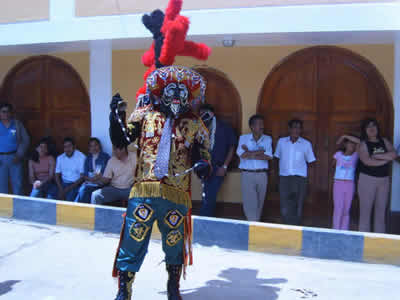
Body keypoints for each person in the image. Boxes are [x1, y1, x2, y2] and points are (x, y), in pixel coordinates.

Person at [110, 1, 212, 298]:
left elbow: (203, 154)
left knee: (174, 243)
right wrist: (114, 117)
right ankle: (124, 289)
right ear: (161, 93)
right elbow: (121, 142)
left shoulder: (194, 124)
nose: (177, 95)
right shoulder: (143, 115)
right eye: (172, 91)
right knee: (133, 238)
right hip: (143, 191)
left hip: (177, 194)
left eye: (182, 92)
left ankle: (173, 285)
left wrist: (204, 165)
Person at [274, 119, 316, 225]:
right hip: (284, 178)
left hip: (300, 179)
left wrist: (309, 182)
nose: (296, 130)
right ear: (289, 129)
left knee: (298, 205)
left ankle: (296, 228)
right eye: (294, 127)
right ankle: (285, 227)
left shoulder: (306, 144)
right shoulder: (281, 142)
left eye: (299, 128)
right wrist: (276, 178)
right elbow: (276, 158)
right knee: (284, 205)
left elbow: (311, 163)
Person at [358, 118, 397, 233]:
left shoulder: (384, 141)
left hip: (384, 180)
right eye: (368, 126)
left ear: (377, 128)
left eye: (373, 125)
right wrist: (385, 159)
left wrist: (377, 156)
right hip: (367, 180)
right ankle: (363, 240)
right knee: (366, 212)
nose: (371, 128)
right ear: (364, 130)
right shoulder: (363, 144)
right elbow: (367, 161)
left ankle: (379, 239)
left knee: (381, 212)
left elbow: (394, 154)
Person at [199, 103, 236, 217]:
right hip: (204, 167)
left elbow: (232, 147)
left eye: (205, 114)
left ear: (212, 113)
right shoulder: (200, 129)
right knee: (206, 195)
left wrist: (224, 166)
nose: (203, 116)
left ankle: (204, 221)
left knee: (209, 196)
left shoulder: (224, 127)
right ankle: (206, 219)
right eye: (201, 114)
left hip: (218, 167)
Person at [236, 114, 272, 221]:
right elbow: (242, 155)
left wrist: (249, 152)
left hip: (262, 174)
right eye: (259, 124)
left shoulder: (267, 139)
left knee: (260, 203)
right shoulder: (243, 138)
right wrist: (259, 152)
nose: (262, 126)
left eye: (262, 124)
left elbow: (268, 156)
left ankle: (256, 224)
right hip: (248, 174)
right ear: (252, 126)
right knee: (249, 202)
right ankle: (253, 225)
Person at [0, 102, 30, 195]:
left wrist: (19, 154)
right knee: (1, 185)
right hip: (0, 159)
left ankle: (18, 207)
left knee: (18, 184)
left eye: (8, 111)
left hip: (15, 157)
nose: (6, 114)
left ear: (11, 113)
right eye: (3, 111)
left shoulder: (17, 124)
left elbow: (25, 139)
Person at [332, 135, 360, 230]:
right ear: (345, 144)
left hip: (349, 184)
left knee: (346, 209)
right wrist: (342, 138)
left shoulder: (356, 155)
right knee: (338, 209)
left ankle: (344, 231)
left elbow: (360, 143)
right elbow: (333, 165)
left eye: (353, 143)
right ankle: (335, 230)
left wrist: (345, 136)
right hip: (338, 184)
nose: (351, 145)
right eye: (349, 142)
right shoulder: (338, 154)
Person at [74, 138, 110, 203]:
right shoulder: (88, 158)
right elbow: (84, 175)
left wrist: (94, 179)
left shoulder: (105, 157)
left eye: (95, 145)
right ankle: (77, 207)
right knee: (82, 190)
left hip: (101, 183)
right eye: (91, 146)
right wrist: (91, 179)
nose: (94, 148)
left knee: (84, 190)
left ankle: (78, 208)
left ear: (100, 146)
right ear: (89, 148)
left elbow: (105, 173)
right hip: (90, 183)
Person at [55, 137, 86, 201]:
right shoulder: (60, 158)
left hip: (75, 184)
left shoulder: (81, 157)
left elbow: (82, 177)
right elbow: (56, 175)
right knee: (54, 200)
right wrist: (61, 189)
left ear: (74, 147)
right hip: (63, 184)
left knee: (69, 201)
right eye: (65, 147)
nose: (67, 149)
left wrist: (67, 189)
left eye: (69, 146)